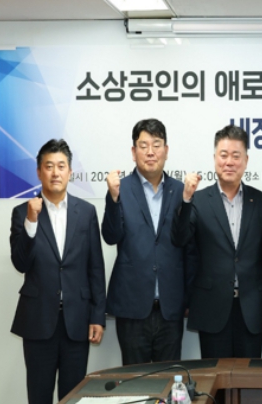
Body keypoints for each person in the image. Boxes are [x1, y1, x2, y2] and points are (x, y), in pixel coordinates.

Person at [10, 139, 106, 404]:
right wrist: (31, 222)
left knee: (73, 397)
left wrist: (97, 316)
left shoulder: (86, 212)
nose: (55, 172)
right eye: (49, 166)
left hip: (77, 321)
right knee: (39, 396)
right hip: (38, 320)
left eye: (61, 166)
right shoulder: (22, 212)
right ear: (39, 172)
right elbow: (20, 263)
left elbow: (95, 267)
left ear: (70, 172)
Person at [172, 125, 262, 358]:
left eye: (236, 156)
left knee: (248, 376)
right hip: (211, 307)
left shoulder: (261, 201)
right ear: (214, 159)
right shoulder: (198, 200)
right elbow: (179, 239)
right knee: (215, 377)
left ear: (246, 161)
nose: (229, 162)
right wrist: (186, 199)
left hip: (251, 308)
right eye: (224, 155)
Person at [102, 118, 195, 365]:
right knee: (134, 380)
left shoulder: (180, 190)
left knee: (169, 378)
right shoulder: (120, 188)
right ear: (134, 152)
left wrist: (187, 201)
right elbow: (110, 236)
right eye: (143, 146)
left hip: (170, 308)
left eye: (156, 145)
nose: (150, 152)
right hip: (132, 307)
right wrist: (112, 198)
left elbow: (184, 241)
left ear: (166, 150)